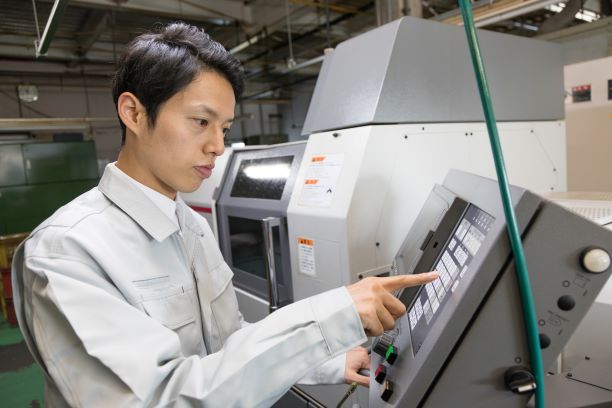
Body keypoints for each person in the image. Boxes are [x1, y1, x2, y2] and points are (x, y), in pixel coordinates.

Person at [11, 23, 437, 407]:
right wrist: (329, 317)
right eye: (201, 122)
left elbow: (226, 341)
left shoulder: (190, 225)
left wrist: (324, 362)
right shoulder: (65, 252)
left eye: (225, 129)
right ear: (134, 113)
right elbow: (161, 398)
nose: (218, 145)